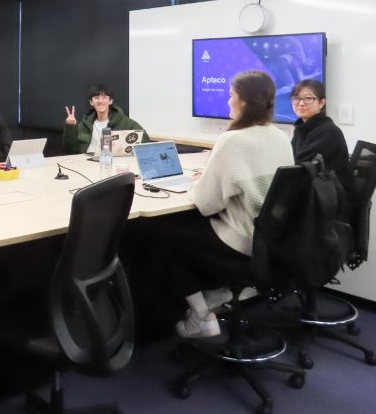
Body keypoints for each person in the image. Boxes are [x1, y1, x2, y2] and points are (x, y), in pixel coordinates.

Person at [151, 71, 293, 338]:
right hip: (272, 241)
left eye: (231, 96)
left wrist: (195, 184)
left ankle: (201, 314)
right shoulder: (281, 136)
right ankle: (218, 293)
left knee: (160, 233)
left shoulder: (233, 140)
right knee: (184, 229)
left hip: (241, 241)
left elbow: (206, 203)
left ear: (245, 102)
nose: (228, 101)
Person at [290, 79, 355, 197]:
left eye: (308, 98)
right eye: (296, 98)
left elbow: (299, 165)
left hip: (332, 197)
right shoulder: (302, 129)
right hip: (318, 191)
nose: (301, 103)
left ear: (321, 103)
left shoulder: (328, 131)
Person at [63, 83, 148, 154]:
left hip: (110, 163)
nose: (100, 101)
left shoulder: (125, 122)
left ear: (110, 101)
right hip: (85, 162)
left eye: (104, 97)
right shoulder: (84, 124)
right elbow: (70, 150)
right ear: (91, 102)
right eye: (96, 98)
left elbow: (145, 141)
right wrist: (70, 127)